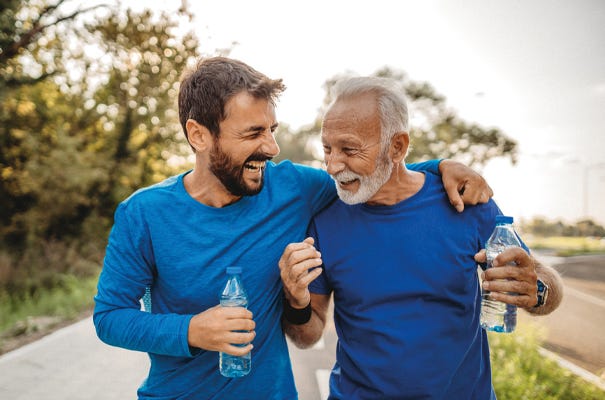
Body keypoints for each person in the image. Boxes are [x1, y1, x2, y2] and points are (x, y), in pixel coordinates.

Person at [93, 57, 494, 400]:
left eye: (271, 130)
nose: (270, 147)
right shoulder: (143, 214)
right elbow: (110, 317)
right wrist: (191, 330)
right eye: (253, 133)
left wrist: (439, 167)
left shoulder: (294, 189)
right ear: (199, 135)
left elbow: (376, 176)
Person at [279, 76, 563, 399]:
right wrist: (296, 303)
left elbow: (546, 285)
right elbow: (308, 333)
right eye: (327, 148)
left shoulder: (464, 202)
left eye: (349, 149)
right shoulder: (326, 219)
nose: (331, 165)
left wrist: (536, 290)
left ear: (397, 146)